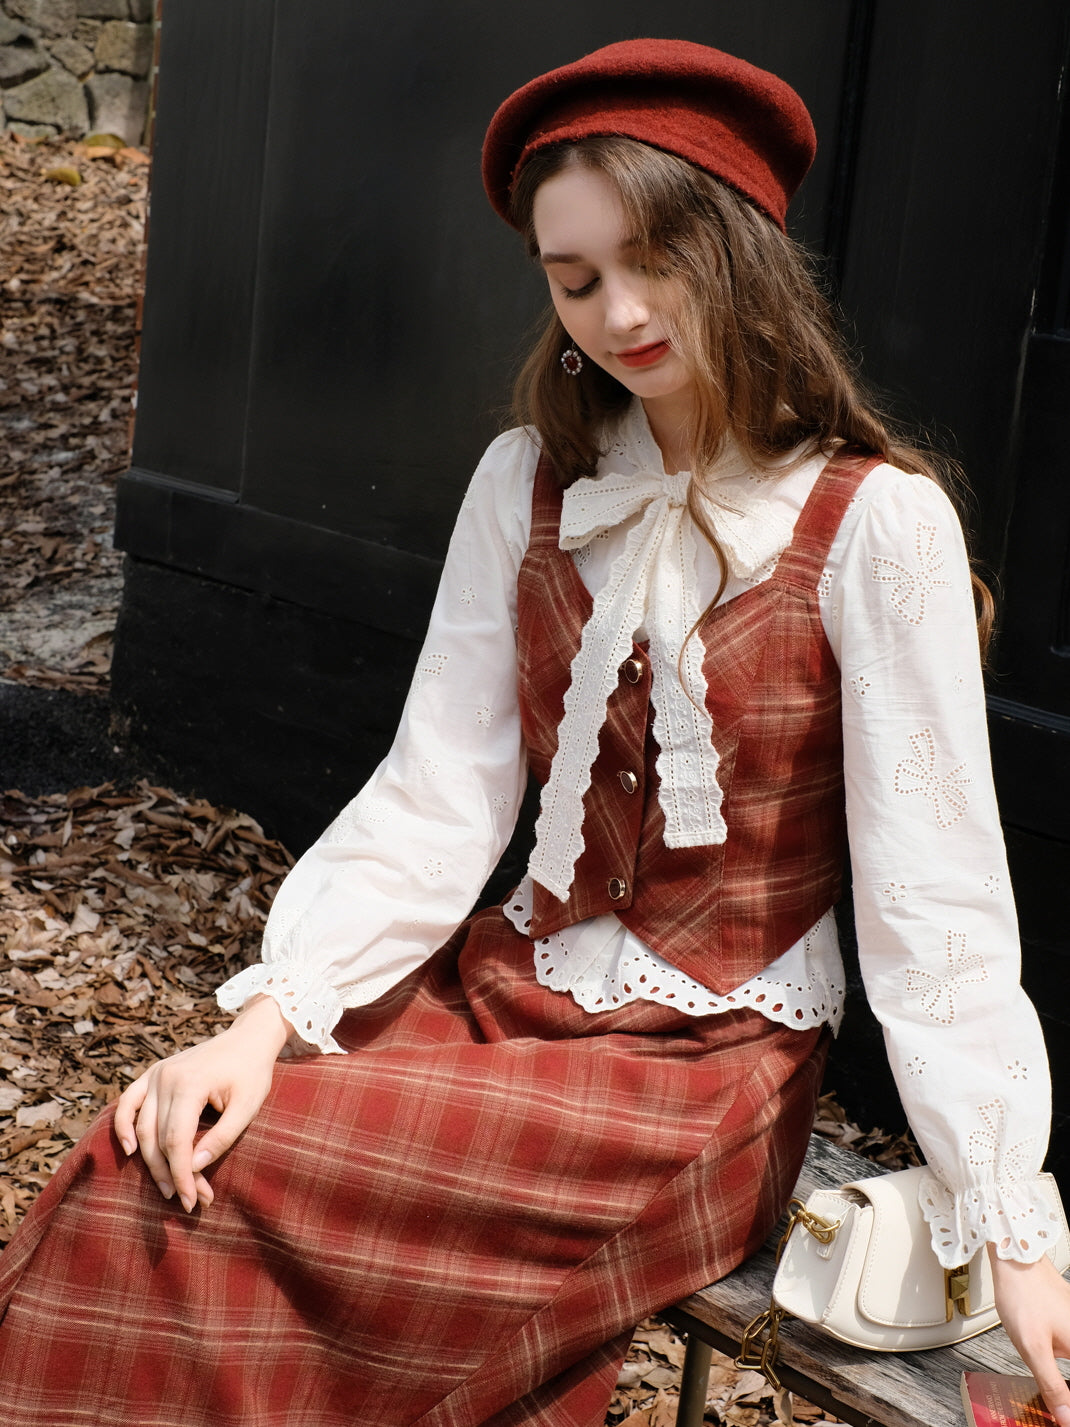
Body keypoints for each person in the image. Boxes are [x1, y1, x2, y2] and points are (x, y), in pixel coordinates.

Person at [1, 36, 1068, 1427]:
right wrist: (265, 1025)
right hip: (502, 997)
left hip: (702, 1075)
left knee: (261, 1187)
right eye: (573, 282)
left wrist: (1014, 1228)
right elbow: (438, 790)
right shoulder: (531, 482)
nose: (616, 312)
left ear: (736, 249)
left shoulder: (875, 526)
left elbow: (938, 904)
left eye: (650, 261)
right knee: (143, 1159)